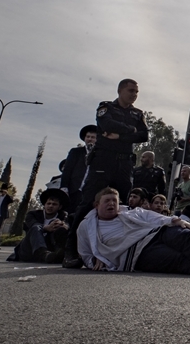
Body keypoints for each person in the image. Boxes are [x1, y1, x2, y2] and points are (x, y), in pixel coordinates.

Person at [63, 79, 149, 268]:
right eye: (131, 90)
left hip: (124, 162)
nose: (134, 94)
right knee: (87, 204)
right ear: (120, 91)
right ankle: (71, 251)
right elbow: (107, 124)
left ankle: (118, 250)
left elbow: (144, 135)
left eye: (136, 91)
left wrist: (120, 135)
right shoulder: (106, 107)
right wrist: (130, 130)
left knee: (123, 207)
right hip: (103, 160)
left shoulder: (137, 113)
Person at [76, 187, 190, 278]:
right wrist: (95, 258)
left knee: (186, 236)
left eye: (115, 201)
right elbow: (85, 252)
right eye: (107, 201)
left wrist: (176, 220)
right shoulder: (86, 227)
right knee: (176, 259)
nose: (112, 204)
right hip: (137, 252)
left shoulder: (129, 212)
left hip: (155, 233)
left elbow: (152, 217)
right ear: (96, 205)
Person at [8, 188, 69, 263]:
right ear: (44, 205)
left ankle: (60, 254)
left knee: (61, 229)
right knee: (36, 227)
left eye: (54, 204)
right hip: (28, 249)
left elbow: (68, 228)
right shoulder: (33, 214)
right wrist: (46, 228)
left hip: (50, 249)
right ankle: (43, 254)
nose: (50, 206)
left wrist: (64, 226)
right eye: (48, 203)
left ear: (59, 207)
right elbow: (33, 224)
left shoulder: (63, 216)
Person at [60, 125, 98, 212]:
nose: (90, 139)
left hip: (89, 191)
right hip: (74, 189)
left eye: (93, 137)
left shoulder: (99, 155)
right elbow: (67, 170)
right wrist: (64, 187)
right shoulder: (76, 152)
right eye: (88, 137)